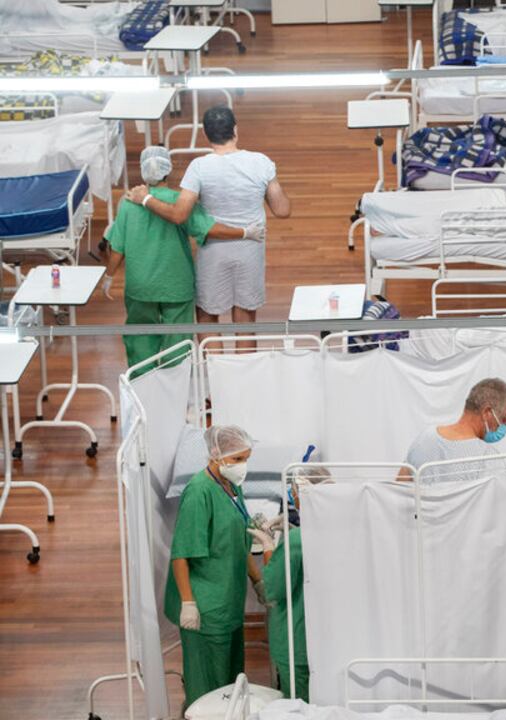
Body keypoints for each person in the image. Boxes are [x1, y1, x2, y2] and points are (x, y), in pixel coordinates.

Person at [127, 105, 291, 341]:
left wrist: (145, 199)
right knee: (245, 319)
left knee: (206, 316)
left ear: (205, 134)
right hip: (250, 251)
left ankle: (213, 366)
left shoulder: (199, 167)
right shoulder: (261, 162)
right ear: (235, 130)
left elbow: (179, 215)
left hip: (213, 253)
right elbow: (282, 209)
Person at [103, 146, 259, 370]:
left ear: (143, 171)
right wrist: (244, 232)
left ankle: (142, 386)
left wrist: (109, 276)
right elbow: (210, 229)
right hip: (176, 284)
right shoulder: (180, 203)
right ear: (169, 170)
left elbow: (117, 248)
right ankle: (174, 385)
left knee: (140, 339)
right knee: (177, 344)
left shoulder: (128, 203)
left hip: (140, 286)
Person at [163, 425, 265, 708]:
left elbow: (240, 540)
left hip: (227, 601)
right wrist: (188, 603)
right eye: (237, 459)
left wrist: (258, 581)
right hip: (205, 607)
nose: (242, 466)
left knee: (230, 680)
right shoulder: (199, 492)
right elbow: (181, 554)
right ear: (216, 454)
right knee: (206, 685)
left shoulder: (232, 487)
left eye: (246, 458)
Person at [247, 466, 332, 703]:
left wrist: (268, 547)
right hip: (331, 639)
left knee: (299, 705)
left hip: (298, 642)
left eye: (293, 492)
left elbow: (273, 589)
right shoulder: (342, 530)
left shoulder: (295, 541)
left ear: (299, 495)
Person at [403, 378, 506, 483]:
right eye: (504, 419)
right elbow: (502, 497)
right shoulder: (488, 458)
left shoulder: (424, 439)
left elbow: (400, 487)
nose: (505, 426)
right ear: (487, 413)